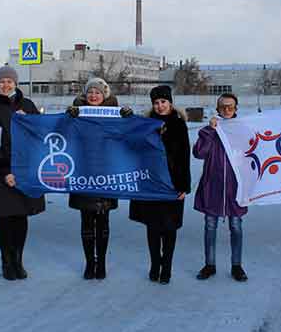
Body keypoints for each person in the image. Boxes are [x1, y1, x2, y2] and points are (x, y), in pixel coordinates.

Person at [0, 66, 45, 281]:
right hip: (2, 171)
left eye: (9, 81)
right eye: (2, 82)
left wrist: (29, 119)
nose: (6, 85)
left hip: (26, 171)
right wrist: (5, 171)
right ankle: (6, 261)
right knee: (5, 217)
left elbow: (41, 134)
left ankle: (18, 259)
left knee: (21, 216)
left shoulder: (27, 105)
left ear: (16, 83)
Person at [66, 77, 132, 280]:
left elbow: (128, 136)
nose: (94, 96)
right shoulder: (76, 114)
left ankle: (101, 262)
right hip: (83, 175)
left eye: (98, 92)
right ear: (85, 95)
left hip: (105, 176)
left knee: (103, 224)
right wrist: (69, 118)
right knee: (86, 223)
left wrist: (128, 118)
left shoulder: (115, 115)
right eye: (90, 92)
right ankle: (89, 263)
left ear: (105, 95)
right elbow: (62, 135)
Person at [129, 85, 191, 284]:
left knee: (169, 227)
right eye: (156, 103)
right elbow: (134, 147)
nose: (159, 106)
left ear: (170, 103)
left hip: (172, 183)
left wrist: (184, 186)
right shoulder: (146, 124)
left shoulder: (179, 125)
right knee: (153, 227)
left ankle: (167, 267)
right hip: (150, 182)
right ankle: (155, 264)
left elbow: (184, 156)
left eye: (163, 102)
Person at [192, 93, 248, 282]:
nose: (226, 110)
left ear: (236, 109)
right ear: (217, 109)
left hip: (235, 187)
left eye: (230, 107)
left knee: (236, 226)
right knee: (210, 226)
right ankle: (210, 264)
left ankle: (237, 265)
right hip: (213, 186)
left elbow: (252, 155)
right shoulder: (210, 131)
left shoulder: (242, 130)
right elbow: (199, 153)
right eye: (223, 107)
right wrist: (210, 131)